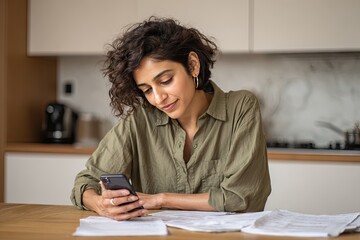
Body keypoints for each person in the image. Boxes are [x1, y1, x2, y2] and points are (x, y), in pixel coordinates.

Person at [71, 17, 271, 221]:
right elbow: (86, 182)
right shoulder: (140, 119)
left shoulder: (241, 107)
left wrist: (160, 200)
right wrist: (100, 204)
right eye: (147, 90)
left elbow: (243, 197)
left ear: (193, 65)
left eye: (165, 81)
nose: (158, 98)